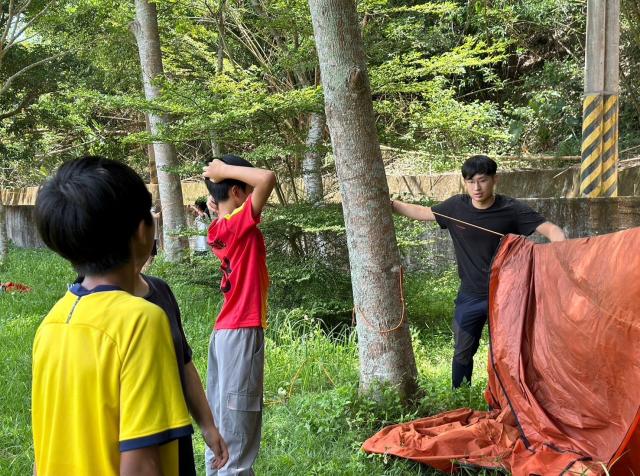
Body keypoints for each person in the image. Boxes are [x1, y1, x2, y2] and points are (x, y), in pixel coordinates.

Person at [32, 156, 192, 475]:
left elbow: (42, 453)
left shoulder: (51, 325)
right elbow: (141, 466)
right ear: (141, 231)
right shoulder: (140, 321)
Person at [391, 155, 566, 388]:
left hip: (506, 295)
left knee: (507, 352)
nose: (477, 187)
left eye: (482, 180)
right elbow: (422, 212)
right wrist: (389, 204)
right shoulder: (456, 207)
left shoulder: (511, 209)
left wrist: (560, 255)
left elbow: (552, 230)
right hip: (470, 295)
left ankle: (507, 399)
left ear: (494, 180)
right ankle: (460, 394)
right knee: (462, 351)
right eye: (470, 181)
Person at [201, 154, 276, 475]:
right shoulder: (236, 224)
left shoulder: (218, 228)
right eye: (247, 191)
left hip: (225, 334)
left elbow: (244, 193)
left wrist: (217, 185)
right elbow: (267, 178)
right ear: (235, 192)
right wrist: (222, 170)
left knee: (221, 422)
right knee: (238, 430)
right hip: (242, 332)